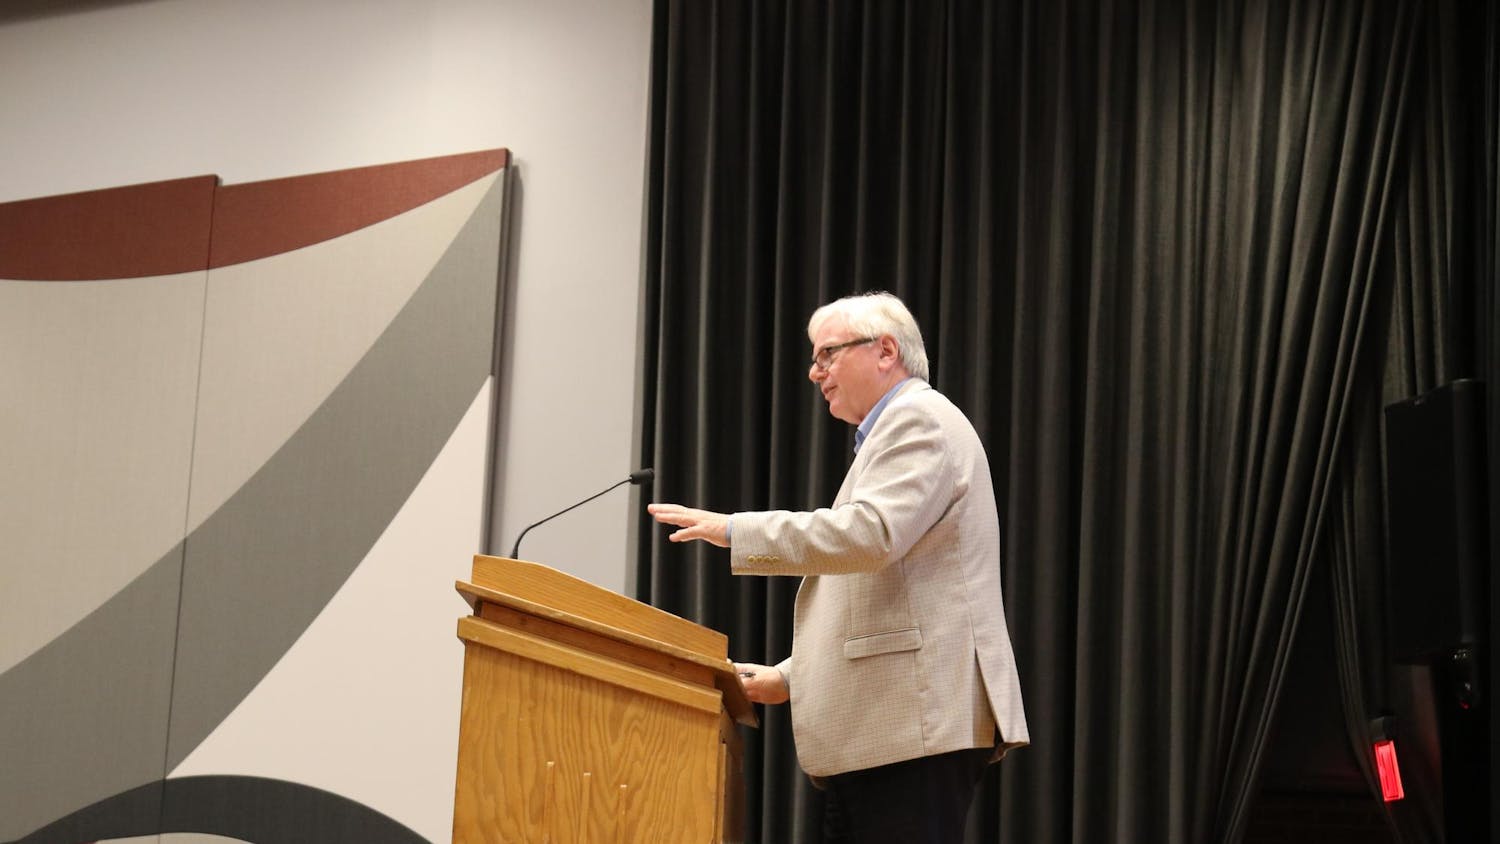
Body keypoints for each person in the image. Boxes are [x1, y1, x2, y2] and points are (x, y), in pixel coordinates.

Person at [648, 291, 1028, 843]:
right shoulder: (896, 429)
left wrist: (736, 530)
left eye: (827, 354)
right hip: (891, 729)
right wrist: (788, 677)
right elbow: (885, 594)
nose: (813, 372)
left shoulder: (917, 420)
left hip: (911, 726)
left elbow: (869, 537)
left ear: (885, 350)